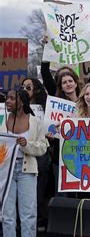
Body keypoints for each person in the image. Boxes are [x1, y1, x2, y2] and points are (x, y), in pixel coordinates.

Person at [1, 90, 48, 237]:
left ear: (22, 101)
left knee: (28, 214)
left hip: (27, 170)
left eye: (12, 98)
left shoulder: (35, 121)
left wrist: (26, 145)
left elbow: (43, 147)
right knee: (8, 216)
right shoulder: (2, 120)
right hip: (6, 172)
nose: (8, 101)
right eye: (7, 98)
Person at [21, 78, 49, 228]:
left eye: (28, 86)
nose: (25, 89)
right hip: (24, 154)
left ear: (37, 89)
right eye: (23, 87)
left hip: (41, 154)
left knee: (38, 191)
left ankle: (36, 221)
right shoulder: (18, 108)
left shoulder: (45, 107)